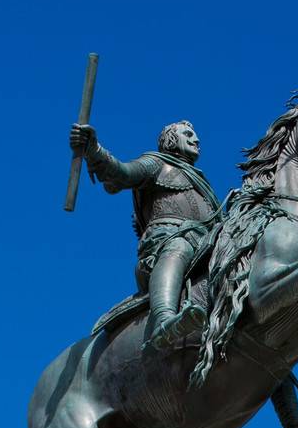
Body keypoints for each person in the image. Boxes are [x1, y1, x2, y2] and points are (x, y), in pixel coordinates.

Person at [69, 119, 220, 350]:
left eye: (195, 136)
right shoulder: (157, 163)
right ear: (171, 139)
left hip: (206, 246)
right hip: (167, 242)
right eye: (188, 134)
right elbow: (123, 173)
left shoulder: (204, 185)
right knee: (179, 247)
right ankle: (164, 320)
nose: (196, 139)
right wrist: (94, 149)